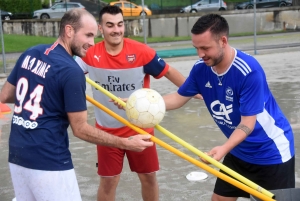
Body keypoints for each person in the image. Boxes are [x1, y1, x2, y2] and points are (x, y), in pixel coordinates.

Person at [0, 8, 154, 201]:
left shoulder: (32, 52)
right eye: (88, 35)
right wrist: (126, 143)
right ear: (69, 31)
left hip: (17, 154)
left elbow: (5, 95)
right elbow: (80, 129)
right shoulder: (71, 71)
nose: (92, 43)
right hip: (49, 160)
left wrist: (47, 95)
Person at [163, 14, 295, 201]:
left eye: (205, 48)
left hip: (270, 152)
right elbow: (178, 98)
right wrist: (143, 105)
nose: (200, 54)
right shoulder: (201, 68)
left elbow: (247, 123)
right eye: (196, 48)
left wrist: (223, 148)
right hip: (239, 150)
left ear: (223, 41)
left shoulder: (249, 71)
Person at [75, 5, 191, 201]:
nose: (116, 30)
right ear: (101, 29)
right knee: (109, 181)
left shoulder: (141, 52)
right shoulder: (88, 54)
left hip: (140, 130)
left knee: (148, 178)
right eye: (110, 25)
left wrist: (193, 91)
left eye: (120, 24)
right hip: (106, 133)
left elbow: (169, 71)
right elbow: (68, 75)